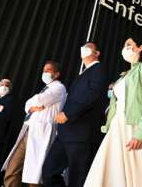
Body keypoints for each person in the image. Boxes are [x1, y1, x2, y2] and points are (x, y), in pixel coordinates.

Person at [83, 36, 142, 187]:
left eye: (129, 44)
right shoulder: (124, 75)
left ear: (141, 47)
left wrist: (140, 133)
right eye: (124, 45)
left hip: (136, 127)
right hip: (116, 128)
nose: (125, 48)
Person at [42, 42, 108, 187]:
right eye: (83, 47)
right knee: (48, 171)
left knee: (77, 179)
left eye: (89, 47)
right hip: (65, 133)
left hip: (81, 134)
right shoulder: (82, 74)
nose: (84, 49)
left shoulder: (98, 70)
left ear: (97, 53)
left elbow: (93, 95)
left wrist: (68, 114)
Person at [2, 61, 66, 187]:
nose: (45, 72)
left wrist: (33, 104)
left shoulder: (59, 88)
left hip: (41, 133)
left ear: (57, 74)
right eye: (44, 70)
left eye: (48, 70)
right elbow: (28, 104)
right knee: (13, 168)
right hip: (28, 130)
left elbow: (39, 100)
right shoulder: (44, 89)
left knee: (35, 175)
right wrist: (32, 106)